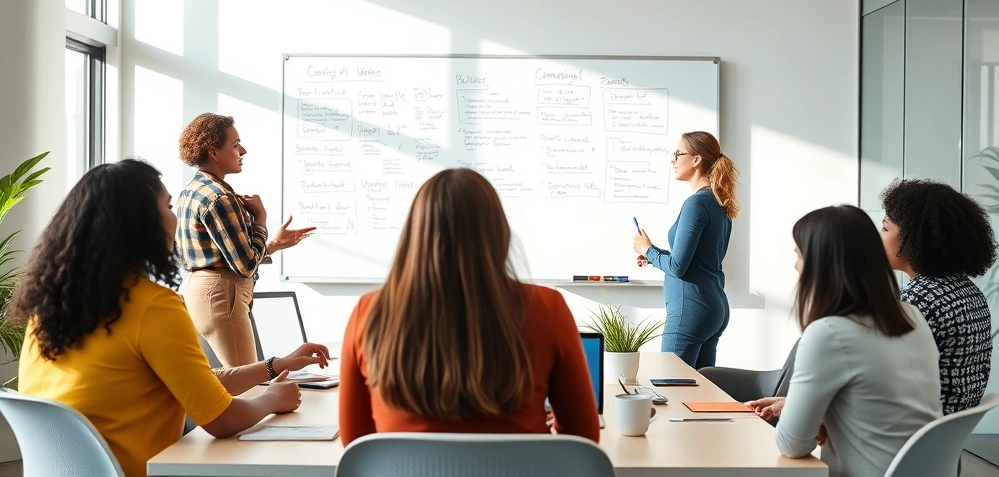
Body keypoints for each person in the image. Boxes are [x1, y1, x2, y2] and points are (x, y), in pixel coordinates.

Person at [13, 160, 305, 477]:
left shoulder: (49, 306)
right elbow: (221, 420)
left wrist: (273, 366)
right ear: (141, 224)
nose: (175, 216)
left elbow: (194, 382)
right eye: (167, 206)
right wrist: (271, 399)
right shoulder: (155, 306)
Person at [339, 168, 600, 445]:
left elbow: (356, 446)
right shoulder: (547, 308)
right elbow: (583, 440)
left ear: (413, 237)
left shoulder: (369, 312)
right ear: (499, 233)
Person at [747, 205, 941, 477]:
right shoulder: (913, 317)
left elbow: (792, 444)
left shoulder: (829, 333)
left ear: (821, 263)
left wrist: (814, 418)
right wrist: (815, 412)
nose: (796, 265)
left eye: (799, 254)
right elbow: (878, 405)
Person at [176, 113, 315, 367]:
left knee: (220, 381)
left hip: (200, 293)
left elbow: (223, 254)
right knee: (248, 380)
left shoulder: (192, 190)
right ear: (214, 152)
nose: (243, 151)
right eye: (236, 144)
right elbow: (245, 265)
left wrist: (271, 245)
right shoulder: (220, 197)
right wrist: (260, 219)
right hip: (222, 296)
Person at [879, 179, 996, 415]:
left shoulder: (918, 300)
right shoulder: (967, 290)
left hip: (917, 423)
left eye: (885, 228)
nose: (878, 237)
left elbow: (884, 375)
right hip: (946, 428)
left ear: (914, 238)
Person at [632, 131, 739, 368]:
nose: (673, 159)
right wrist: (653, 256)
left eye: (678, 153)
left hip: (691, 309)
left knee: (669, 383)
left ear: (696, 160)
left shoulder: (697, 203)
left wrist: (648, 250)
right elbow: (696, 260)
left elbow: (678, 267)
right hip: (714, 308)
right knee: (700, 389)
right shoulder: (718, 203)